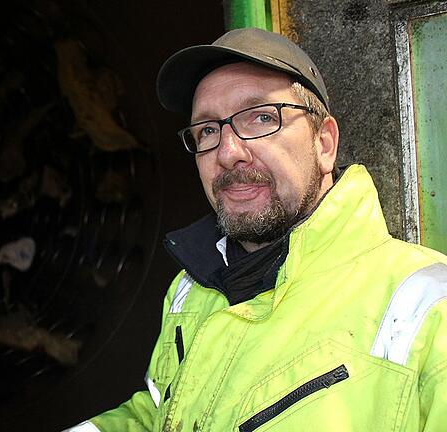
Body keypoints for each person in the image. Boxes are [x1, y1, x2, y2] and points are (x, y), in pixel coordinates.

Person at [64, 27, 447, 432]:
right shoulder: (189, 291)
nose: (228, 153)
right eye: (208, 130)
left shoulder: (426, 309)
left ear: (324, 143)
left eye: (262, 117)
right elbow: (159, 416)